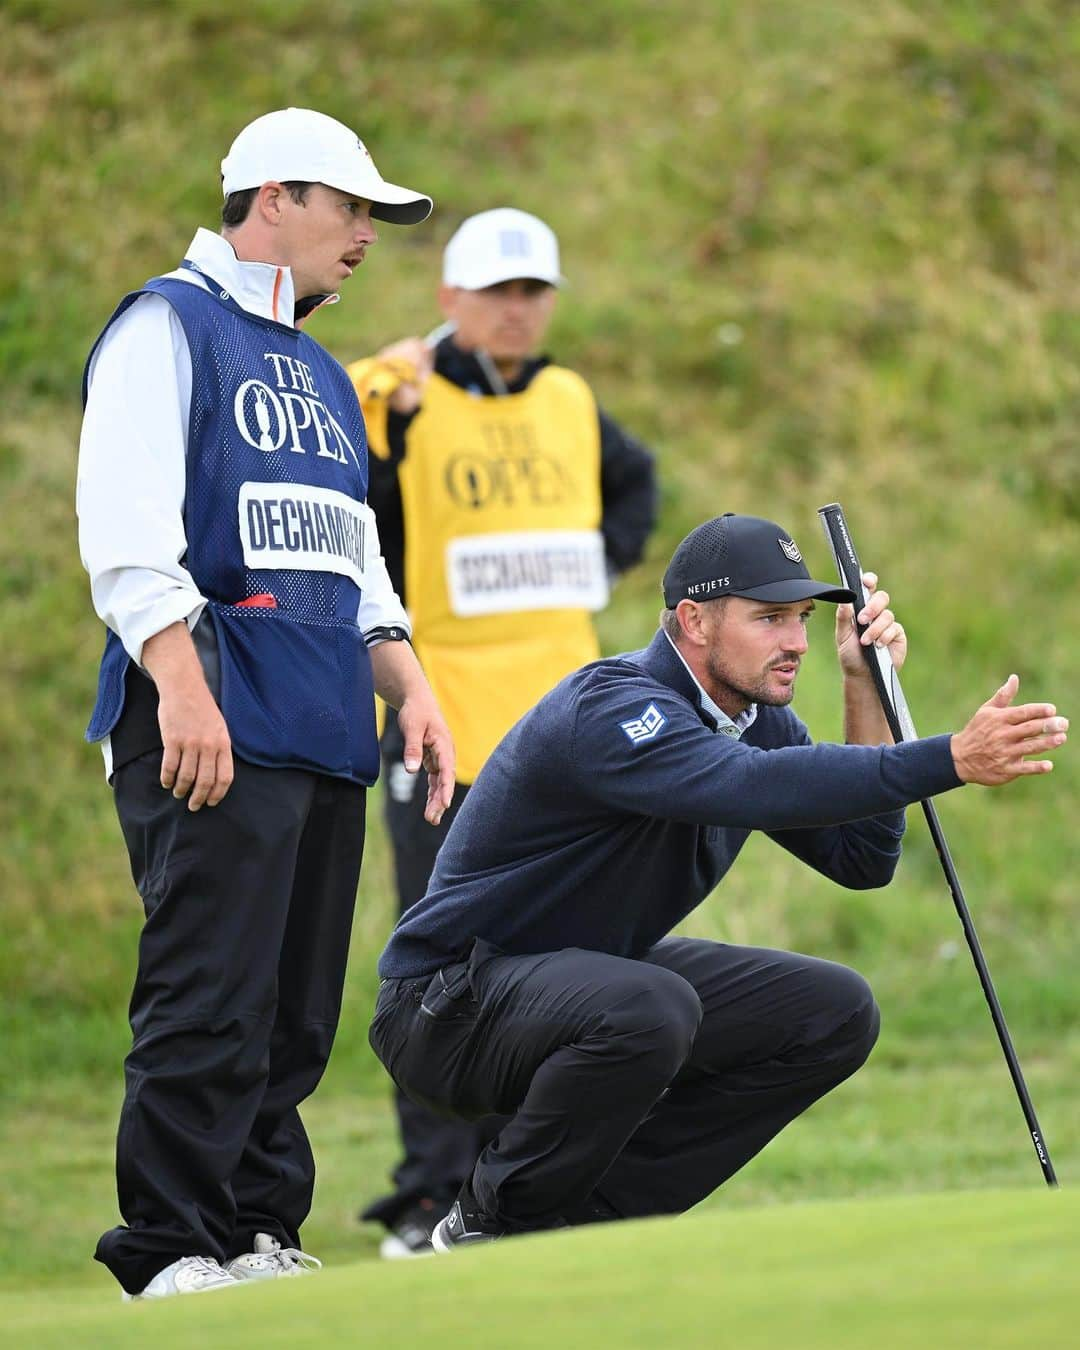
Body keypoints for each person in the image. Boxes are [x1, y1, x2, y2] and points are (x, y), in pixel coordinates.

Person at [368, 511, 1068, 1249]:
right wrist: (950, 757)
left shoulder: (751, 719)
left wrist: (863, 687)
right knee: (651, 1006)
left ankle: (581, 1227)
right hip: (445, 1008)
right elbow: (753, 785)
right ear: (695, 621)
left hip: (578, 986)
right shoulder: (614, 706)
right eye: (769, 618)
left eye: (800, 618)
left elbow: (863, 858)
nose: (797, 642)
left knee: (832, 1012)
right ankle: (490, 1223)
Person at [76, 107, 455, 1300]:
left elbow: (352, 560)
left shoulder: (326, 373)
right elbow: (127, 534)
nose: (368, 238)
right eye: (353, 210)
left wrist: (412, 685)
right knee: (209, 997)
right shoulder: (165, 326)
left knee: (292, 1013)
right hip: (211, 721)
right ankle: (168, 1247)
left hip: (321, 727)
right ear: (278, 197)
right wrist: (181, 688)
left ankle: (251, 1231)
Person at [345, 208, 658, 1255]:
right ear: (450, 300)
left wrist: (603, 562)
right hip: (446, 722)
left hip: (569, 731)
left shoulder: (570, 398)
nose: (519, 311)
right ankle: (432, 1193)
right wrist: (386, 398)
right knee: (441, 974)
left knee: (572, 961)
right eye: (497, 293)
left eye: (534, 293)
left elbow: (633, 483)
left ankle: (526, 1184)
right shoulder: (397, 395)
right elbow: (352, 511)